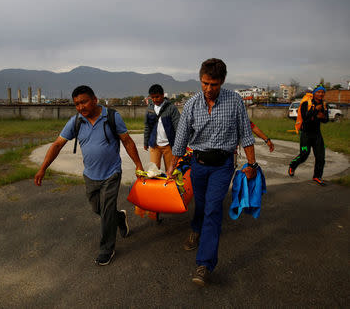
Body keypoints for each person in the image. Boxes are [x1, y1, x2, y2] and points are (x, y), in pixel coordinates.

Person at [166, 58, 258, 287]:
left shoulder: (235, 101)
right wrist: (172, 165)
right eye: (205, 83)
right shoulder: (191, 104)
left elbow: (246, 134)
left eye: (213, 84)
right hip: (197, 164)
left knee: (214, 208)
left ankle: (204, 264)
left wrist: (252, 164)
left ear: (222, 81)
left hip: (222, 165)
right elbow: (181, 137)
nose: (208, 89)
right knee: (202, 203)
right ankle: (196, 229)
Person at [34, 85, 144, 266]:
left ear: (94, 100)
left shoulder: (111, 117)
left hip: (112, 173)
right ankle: (119, 218)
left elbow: (127, 141)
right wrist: (43, 168)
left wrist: (139, 166)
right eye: (76, 104)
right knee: (97, 209)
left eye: (84, 102)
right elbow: (57, 145)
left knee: (106, 211)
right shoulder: (76, 121)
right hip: (91, 176)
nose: (80, 107)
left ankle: (106, 249)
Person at [136, 84, 180, 220]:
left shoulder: (171, 108)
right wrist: (145, 142)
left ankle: (170, 201)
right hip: (154, 145)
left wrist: (179, 145)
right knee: (153, 174)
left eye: (157, 97)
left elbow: (178, 126)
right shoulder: (149, 109)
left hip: (169, 146)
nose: (155, 99)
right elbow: (147, 126)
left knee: (170, 174)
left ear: (162, 95)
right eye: (153, 97)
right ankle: (155, 206)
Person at [288, 84, 328, 186]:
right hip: (306, 133)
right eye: (318, 92)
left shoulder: (324, 105)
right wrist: (315, 110)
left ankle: (317, 176)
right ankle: (293, 165)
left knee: (320, 157)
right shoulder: (306, 103)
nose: (321, 94)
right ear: (314, 93)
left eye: (322, 92)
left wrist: (322, 116)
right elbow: (305, 118)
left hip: (317, 134)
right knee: (304, 155)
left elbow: (325, 120)